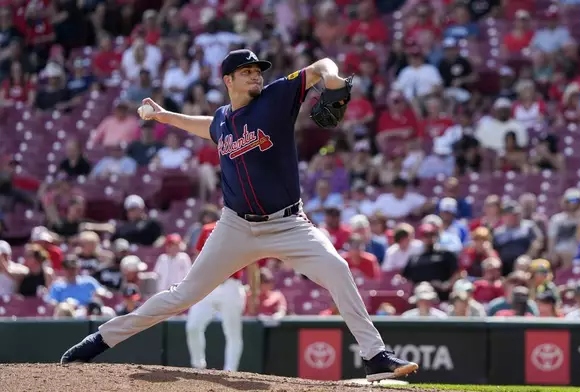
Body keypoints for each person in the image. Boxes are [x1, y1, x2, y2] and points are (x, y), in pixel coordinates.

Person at [60, 50, 418, 381]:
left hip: (287, 223)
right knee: (181, 295)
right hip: (235, 226)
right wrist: (163, 116)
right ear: (228, 80)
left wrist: (335, 81)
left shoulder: (276, 99)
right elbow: (208, 127)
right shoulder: (223, 120)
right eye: (246, 72)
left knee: (338, 270)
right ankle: (100, 340)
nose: (255, 77)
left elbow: (321, 66)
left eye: (257, 71)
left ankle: (375, 355)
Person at [185, 221, 256, 371]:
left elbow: (252, 265)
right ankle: (198, 367)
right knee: (193, 326)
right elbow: (198, 259)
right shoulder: (208, 229)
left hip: (231, 285)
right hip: (208, 285)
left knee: (232, 332)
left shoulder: (244, 230)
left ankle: (230, 371)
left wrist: (254, 295)